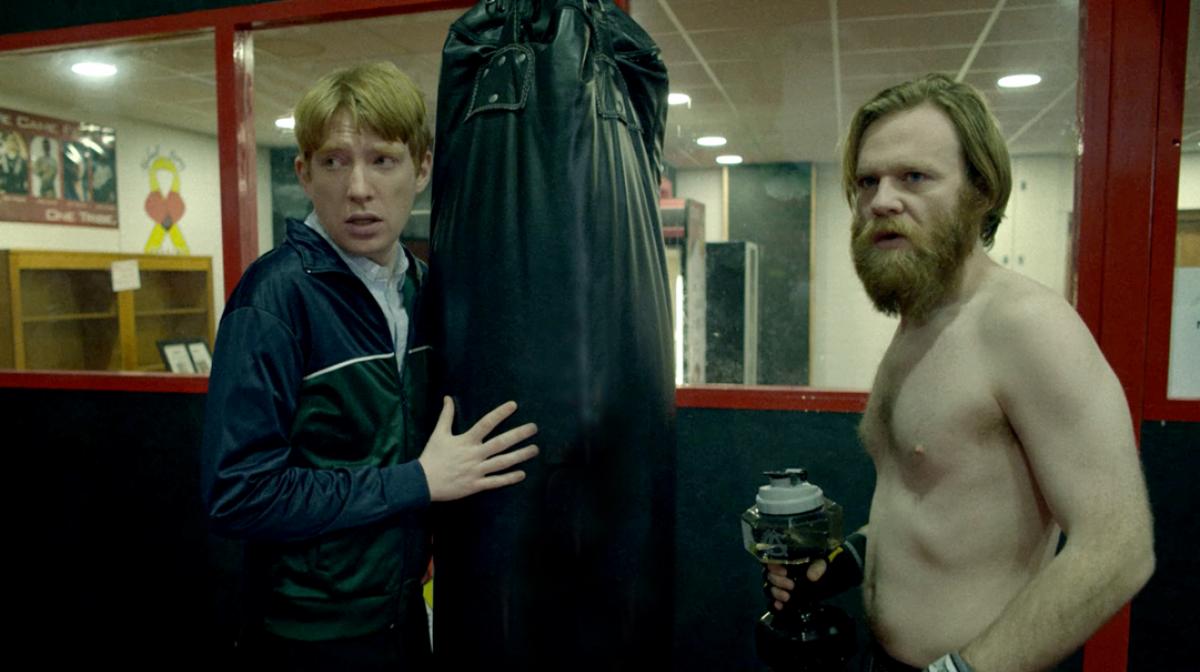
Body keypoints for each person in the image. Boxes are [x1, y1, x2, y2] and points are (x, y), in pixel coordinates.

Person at [766, 73, 1155, 672]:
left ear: (981, 190)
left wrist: (961, 671)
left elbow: (1119, 550)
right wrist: (845, 563)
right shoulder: (919, 323)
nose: (882, 200)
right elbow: (928, 509)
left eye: (914, 177)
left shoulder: (1025, 325)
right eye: (868, 181)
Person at [201, 61, 540, 670]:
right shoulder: (275, 300)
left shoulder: (426, 293)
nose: (358, 188)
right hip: (309, 637)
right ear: (304, 174)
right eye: (334, 162)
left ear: (423, 167)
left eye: (383, 160)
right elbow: (238, 493)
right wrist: (417, 482)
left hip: (405, 617)